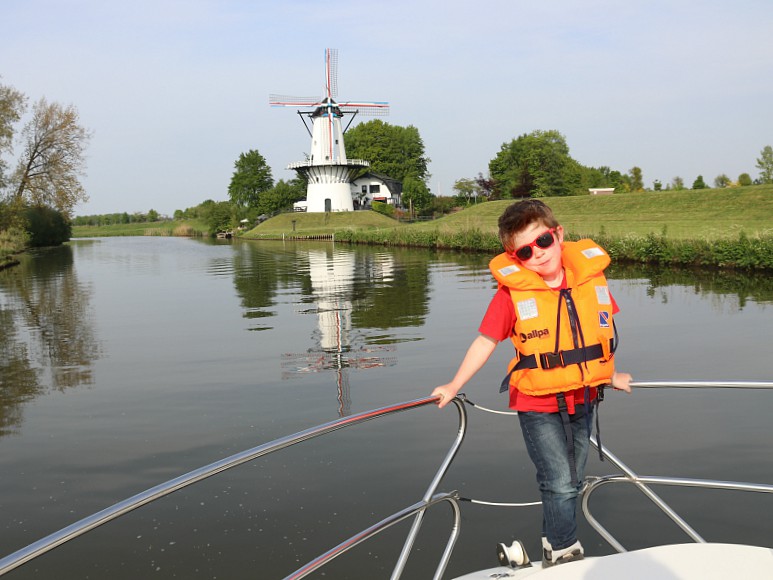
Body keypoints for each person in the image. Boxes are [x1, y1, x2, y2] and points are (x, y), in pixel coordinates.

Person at [431, 199, 632, 568]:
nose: (537, 254)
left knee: (573, 480)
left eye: (542, 241)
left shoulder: (590, 280)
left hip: (585, 397)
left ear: (558, 235)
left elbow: (600, 332)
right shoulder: (511, 295)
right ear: (515, 257)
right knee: (559, 480)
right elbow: (485, 342)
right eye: (525, 251)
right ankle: (564, 551)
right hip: (538, 404)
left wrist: (611, 375)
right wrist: (453, 384)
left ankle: (551, 546)